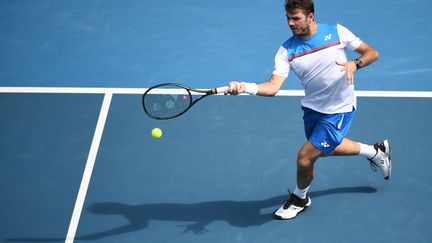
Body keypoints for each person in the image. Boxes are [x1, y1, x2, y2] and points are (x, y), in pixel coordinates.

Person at [225, 0, 392, 220]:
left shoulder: (336, 31)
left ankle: (300, 198)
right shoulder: (286, 50)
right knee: (327, 147)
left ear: (310, 17)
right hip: (313, 109)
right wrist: (245, 87)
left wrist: (355, 64)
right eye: (288, 18)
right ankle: (375, 151)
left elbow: (372, 52)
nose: (291, 23)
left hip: (339, 109)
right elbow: (273, 87)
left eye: (296, 18)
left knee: (305, 158)